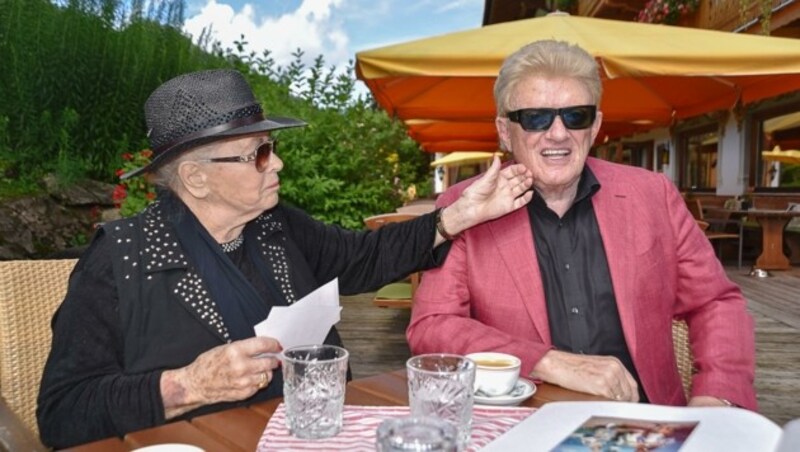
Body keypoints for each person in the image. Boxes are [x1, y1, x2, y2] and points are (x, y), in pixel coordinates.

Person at [36, 69, 534, 448]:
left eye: (270, 147)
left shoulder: (276, 226)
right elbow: (62, 412)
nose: (277, 162)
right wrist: (186, 385)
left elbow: (365, 257)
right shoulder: (123, 258)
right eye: (258, 152)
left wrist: (459, 215)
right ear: (196, 178)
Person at [406, 40, 756, 410]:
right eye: (536, 117)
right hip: (525, 425)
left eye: (576, 116)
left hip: (646, 421)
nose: (558, 133)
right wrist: (547, 362)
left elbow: (715, 302)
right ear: (505, 132)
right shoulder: (464, 207)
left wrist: (716, 397)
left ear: (596, 126)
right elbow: (432, 325)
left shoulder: (653, 195)